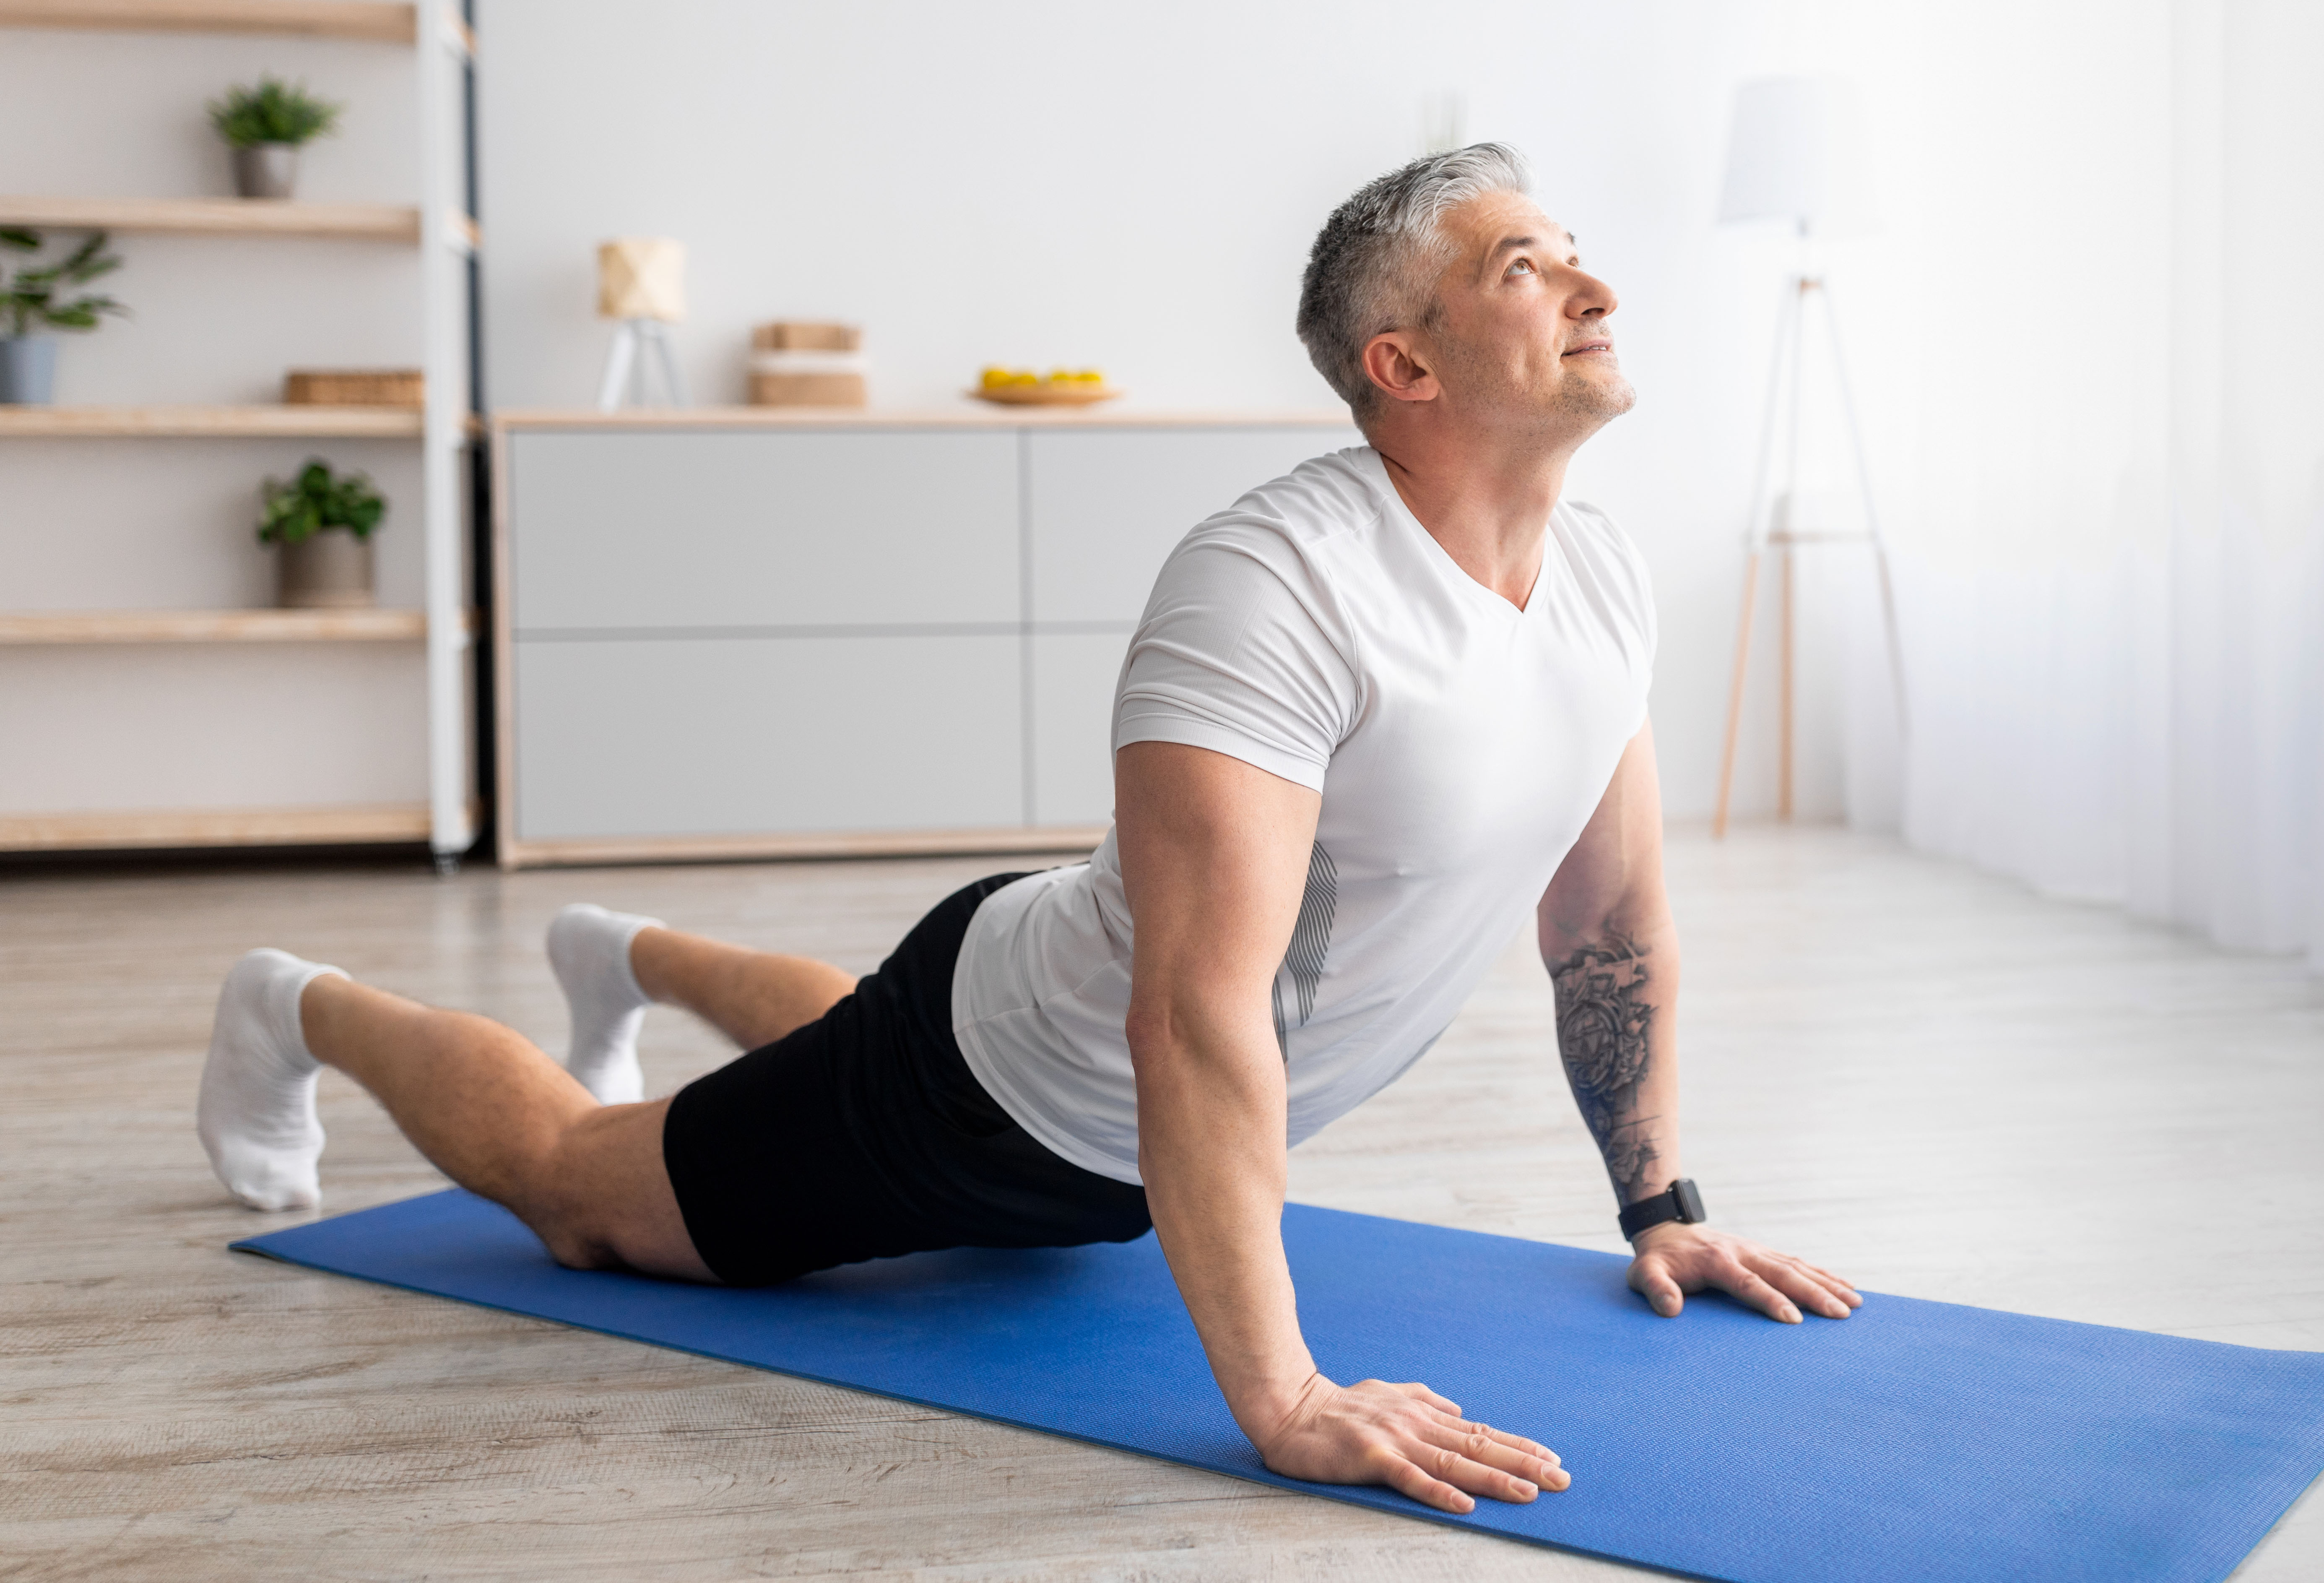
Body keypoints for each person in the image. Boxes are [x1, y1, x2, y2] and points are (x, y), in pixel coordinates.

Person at [195, 143, 1861, 1516]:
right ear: (1401, 364)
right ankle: (295, 1004)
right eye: (1523, 264)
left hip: (1078, 1069)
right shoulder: (1276, 583)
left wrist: (1662, 1202)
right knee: (579, 1193)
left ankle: (623, 951)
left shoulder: (1605, 575)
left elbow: (1610, 917)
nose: (1594, 285)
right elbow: (1190, 1018)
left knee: (852, 1041)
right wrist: (1280, 1396)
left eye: (1575, 251)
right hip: (993, 1090)